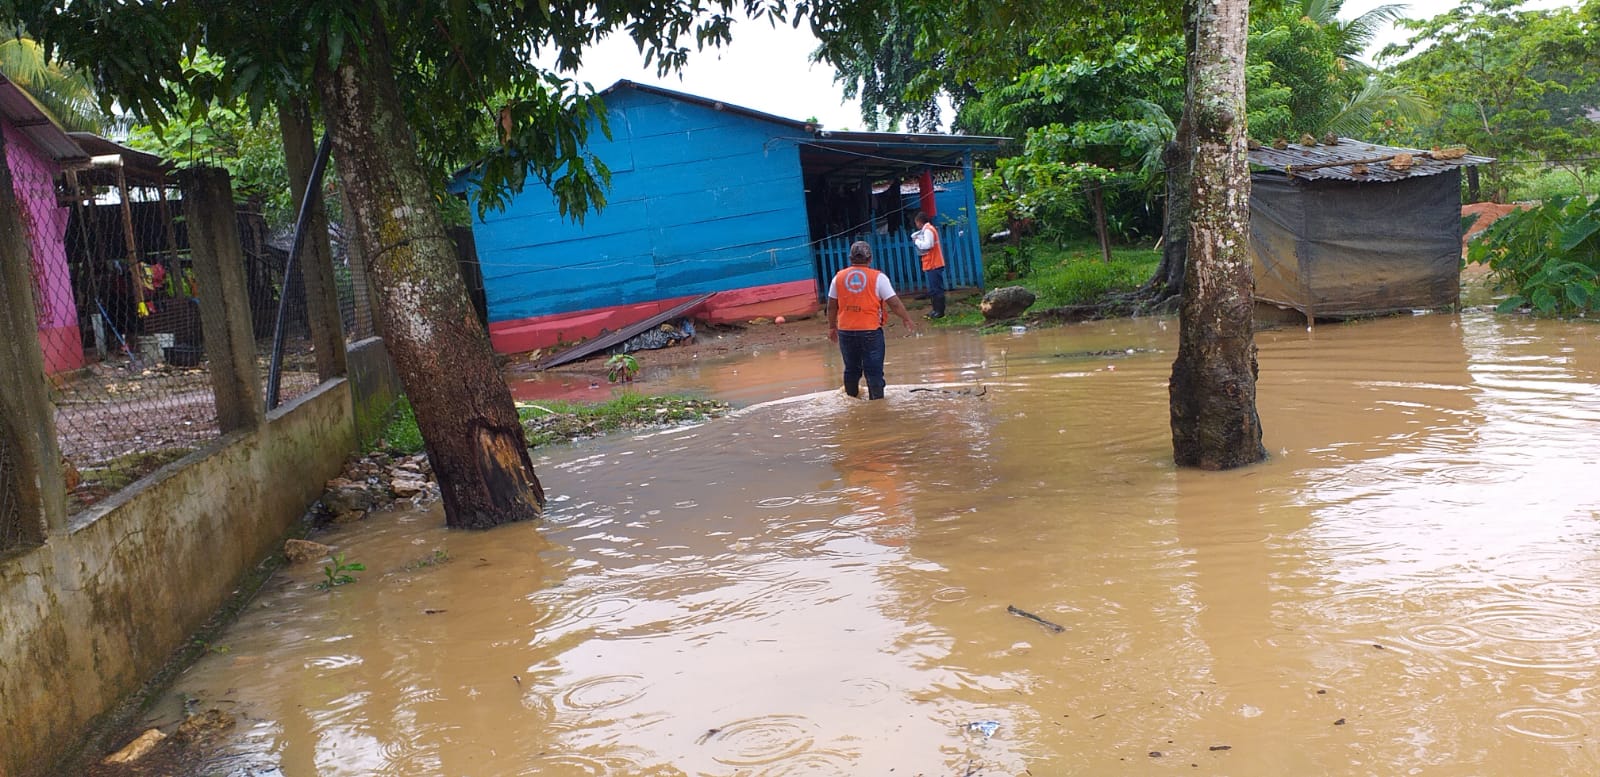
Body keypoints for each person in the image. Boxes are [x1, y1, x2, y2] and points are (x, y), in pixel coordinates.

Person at [827, 241, 917, 400]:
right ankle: (877, 407)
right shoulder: (879, 278)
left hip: (846, 331)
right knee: (873, 371)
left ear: (850, 258)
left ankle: (851, 402)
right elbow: (894, 302)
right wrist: (907, 319)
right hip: (870, 331)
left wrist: (831, 327)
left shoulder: (838, 278)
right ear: (870, 259)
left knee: (851, 370)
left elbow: (832, 305)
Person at [912, 211, 947, 319]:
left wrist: (917, 242)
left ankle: (939, 312)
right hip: (932, 263)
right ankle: (935, 310)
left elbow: (928, 245)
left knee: (937, 289)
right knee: (933, 288)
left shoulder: (928, 230)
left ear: (919, 222)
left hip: (934, 263)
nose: (916, 225)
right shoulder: (928, 229)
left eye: (916, 223)